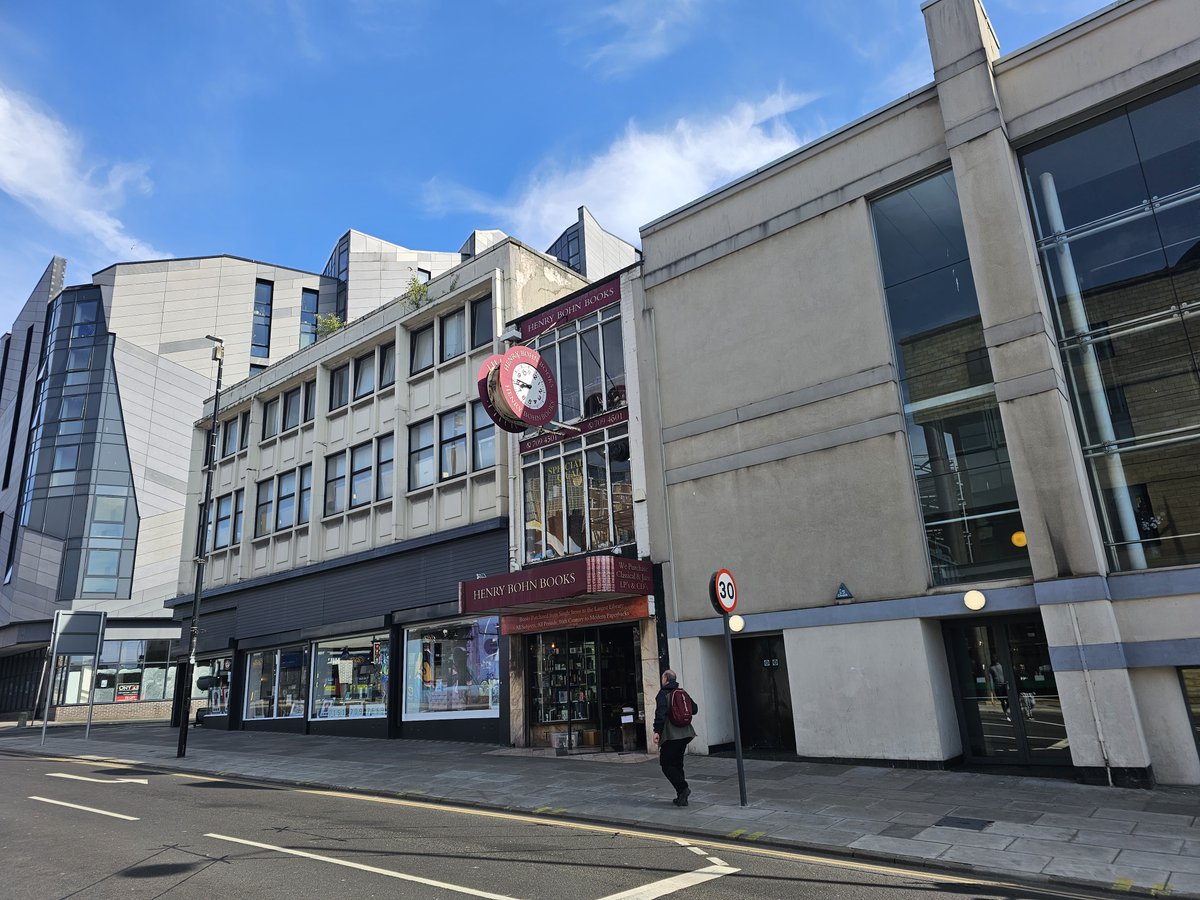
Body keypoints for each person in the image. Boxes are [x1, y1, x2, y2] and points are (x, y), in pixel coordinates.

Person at [652, 669, 698, 807]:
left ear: (665, 679)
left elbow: (660, 713)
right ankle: (681, 797)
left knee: (666, 764)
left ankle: (683, 788)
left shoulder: (663, 693)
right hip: (686, 733)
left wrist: (656, 731)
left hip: (671, 734)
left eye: (662, 678)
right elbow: (694, 709)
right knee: (677, 763)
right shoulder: (682, 692)